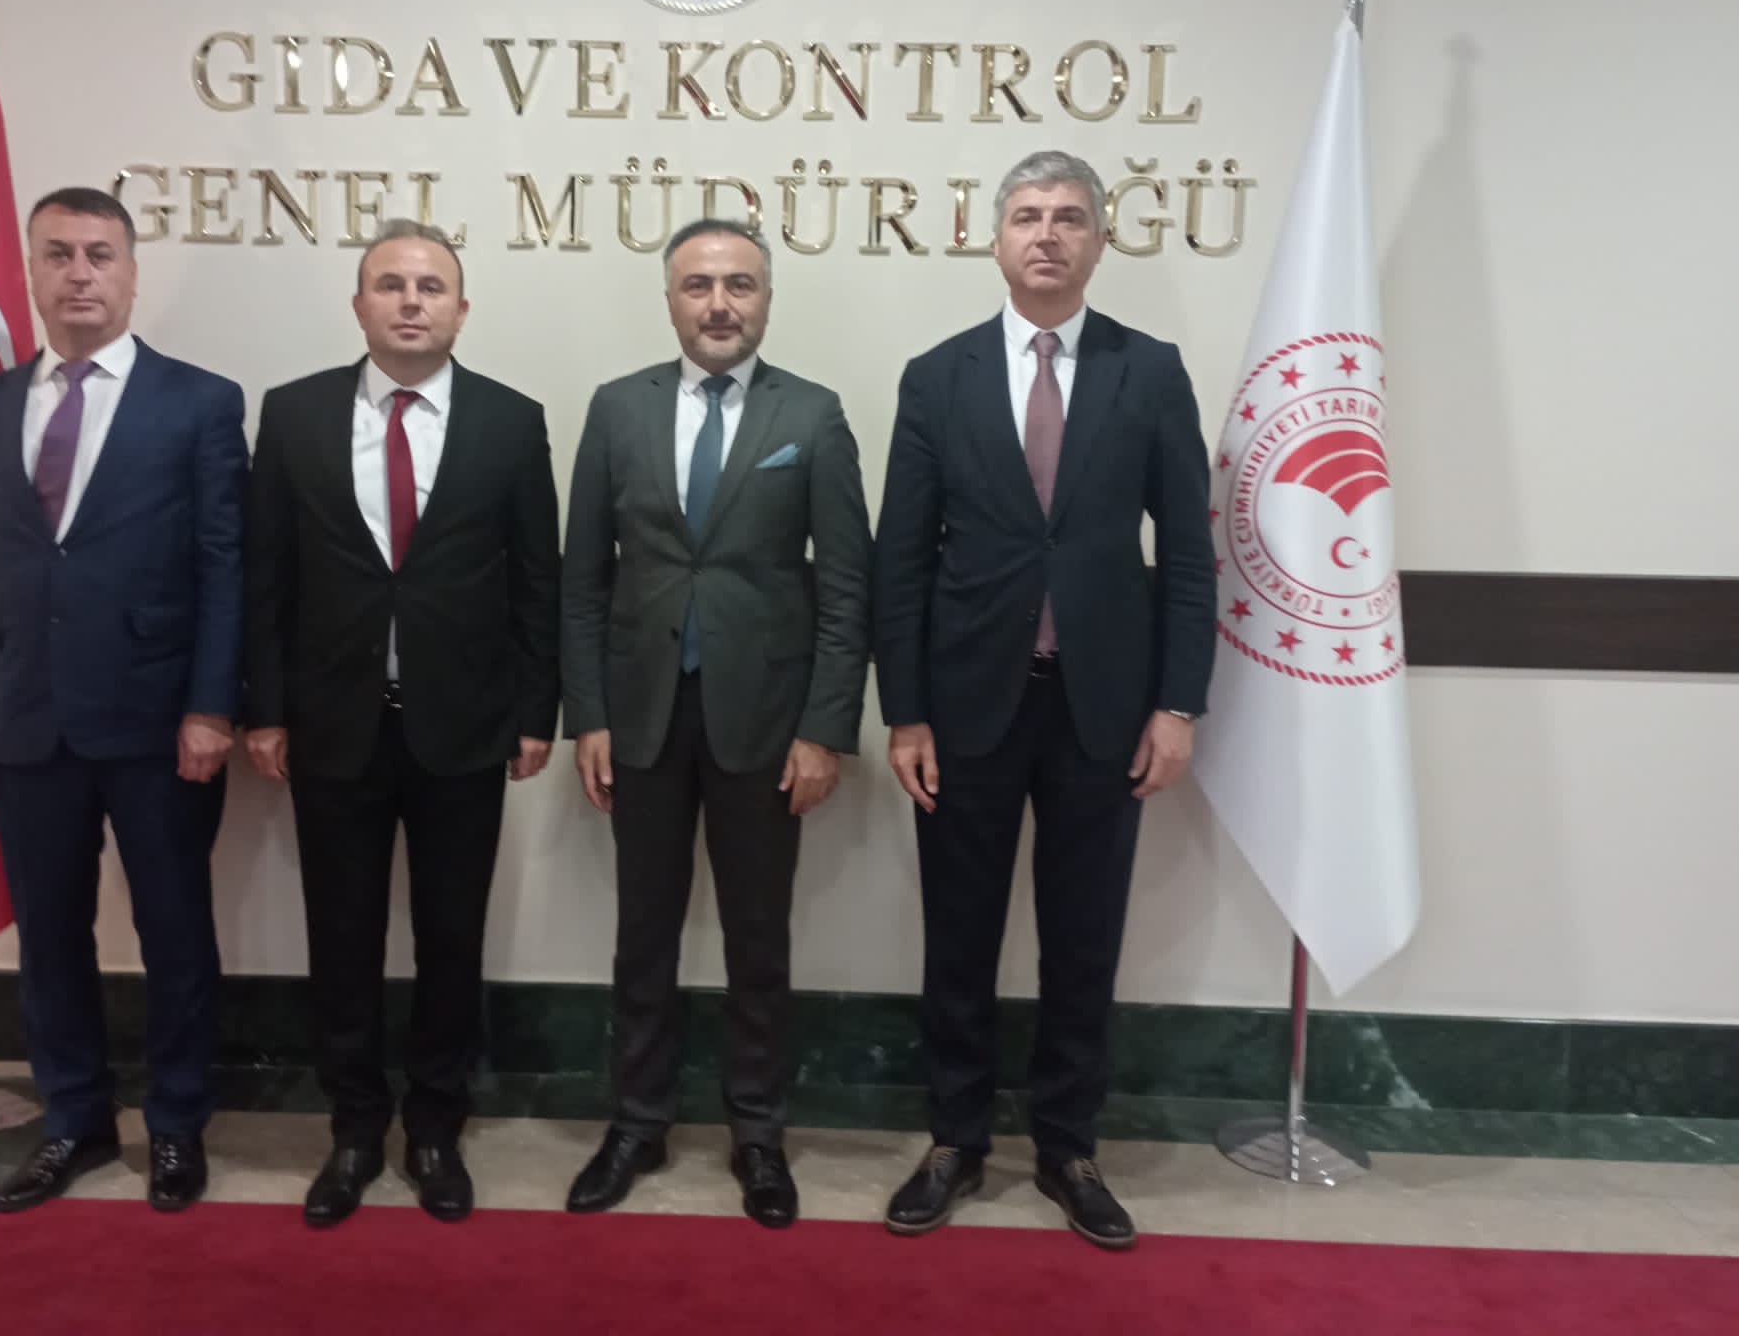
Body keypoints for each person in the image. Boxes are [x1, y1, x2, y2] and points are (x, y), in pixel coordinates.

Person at [872, 150, 1214, 1249]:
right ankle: (955, 1139)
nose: (1048, 234)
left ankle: (1069, 1146)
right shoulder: (939, 376)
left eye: (1069, 217)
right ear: (996, 239)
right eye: (1027, 215)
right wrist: (905, 711)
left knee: (1084, 939)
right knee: (958, 937)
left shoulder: (1148, 370)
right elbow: (900, 559)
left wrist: (1179, 704)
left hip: (1104, 708)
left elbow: (1190, 552)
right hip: (968, 704)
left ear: (1100, 241)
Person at [0, 186, 246, 1213]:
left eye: (99, 255)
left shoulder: (200, 401)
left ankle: (177, 1122)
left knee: (174, 930)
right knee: (50, 933)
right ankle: (74, 1119)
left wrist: (213, 705)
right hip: (23, 716)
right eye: (58, 254)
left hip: (159, 721)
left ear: (131, 272)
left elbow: (224, 565)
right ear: (31, 271)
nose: (79, 274)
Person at [245, 220, 560, 1227]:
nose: (411, 301)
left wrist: (537, 712)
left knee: (450, 939)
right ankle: (352, 1128)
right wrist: (263, 710)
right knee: (340, 937)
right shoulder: (293, 414)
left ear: (461, 309)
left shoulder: (511, 420)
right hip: (331, 725)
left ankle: (434, 1127)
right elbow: (265, 576)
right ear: (359, 304)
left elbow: (537, 579)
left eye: (431, 286)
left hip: (463, 728)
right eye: (391, 284)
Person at [560, 218, 871, 1229]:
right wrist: (588, 714)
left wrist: (824, 729)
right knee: (641, 935)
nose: (720, 303)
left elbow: (847, 590)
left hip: (768, 725)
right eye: (699, 285)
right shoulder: (616, 408)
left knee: (758, 939)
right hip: (641, 718)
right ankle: (636, 1124)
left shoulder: (812, 415)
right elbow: (582, 580)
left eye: (740, 283)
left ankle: (758, 1133)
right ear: (671, 299)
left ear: (767, 298)